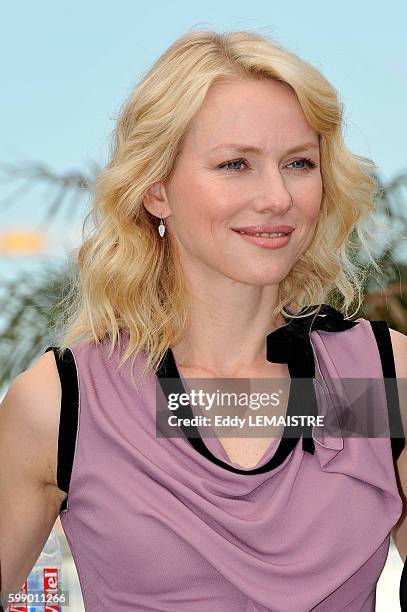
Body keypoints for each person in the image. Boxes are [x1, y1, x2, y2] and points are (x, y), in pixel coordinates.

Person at [1, 28, 407, 612]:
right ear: (156, 188)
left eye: (298, 162)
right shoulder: (65, 403)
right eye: (235, 164)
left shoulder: (372, 380)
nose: (277, 197)